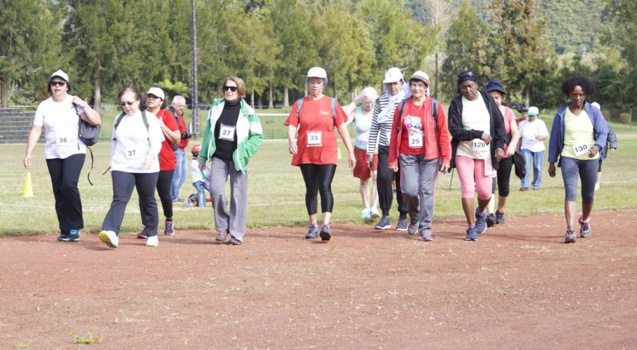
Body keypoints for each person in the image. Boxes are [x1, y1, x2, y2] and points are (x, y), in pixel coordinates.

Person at [23, 70, 101, 242]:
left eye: (60, 83)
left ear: (67, 86)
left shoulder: (73, 103)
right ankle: (65, 229)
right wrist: (29, 152)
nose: (56, 86)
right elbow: (36, 129)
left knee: (68, 185)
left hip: (74, 150)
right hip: (53, 152)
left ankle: (75, 227)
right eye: (53, 83)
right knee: (58, 190)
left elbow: (96, 120)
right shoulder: (44, 106)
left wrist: (83, 104)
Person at [284, 67, 355, 241]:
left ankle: (326, 225)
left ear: (323, 84)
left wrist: (350, 151)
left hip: (327, 151)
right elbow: (292, 125)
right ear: (307, 84)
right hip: (306, 152)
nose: (314, 85)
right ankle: (313, 225)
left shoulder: (331, 103)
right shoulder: (300, 104)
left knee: (325, 185)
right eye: (312, 82)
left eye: (318, 82)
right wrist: (292, 140)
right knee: (311, 188)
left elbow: (342, 128)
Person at [199, 76, 263, 245]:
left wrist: (244, 153)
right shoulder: (216, 107)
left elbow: (257, 136)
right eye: (226, 88)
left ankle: (237, 233)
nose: (228, 91)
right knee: (215, 190)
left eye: (233, 88)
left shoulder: (248, 111)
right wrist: (203, 156)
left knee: (238, 196)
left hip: (237, 160)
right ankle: (222, 226)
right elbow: (208, 133)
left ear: (240, 90)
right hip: (219, 157)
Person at [388, 71, 451, 242]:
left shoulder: (435, 106)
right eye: (414, 85)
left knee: (426, 190)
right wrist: (392, 159)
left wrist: (446, 158)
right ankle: (414, 217)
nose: (416, 88)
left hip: (430, 156)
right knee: (408, 190)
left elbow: (443, 134)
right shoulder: (402, 106)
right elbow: (394, 134)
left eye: (420, 85)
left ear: (426, 88)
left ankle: (425, 227)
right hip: (407, 155)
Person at [99, 86, 165, 248]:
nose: (126, 106)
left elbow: (157, 142)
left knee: (147, 199)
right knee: (119, 198)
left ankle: (152, 233)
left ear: (139, 101)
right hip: (122, 164)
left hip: (145, 166)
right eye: (123, 103)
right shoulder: (119, 119)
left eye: (130, 102)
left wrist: (151, 155)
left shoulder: (149, 118)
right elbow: (115, 143)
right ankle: (111, 232)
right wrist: (113, 163)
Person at [548, 76, 608, 244]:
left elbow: (603, 132)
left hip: (590, 158)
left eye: (581, 94)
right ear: (568, 94)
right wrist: (552, 161)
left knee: (588, 194)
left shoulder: (593, 112)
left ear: (586, 94)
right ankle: (570, 229)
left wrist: (597, 147)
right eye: (574, 94)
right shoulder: (561, 113)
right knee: (571, 192)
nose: (578, 98)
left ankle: (585, 220)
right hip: (569, 157)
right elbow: (554, 139)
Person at [448, 70, 506, 241]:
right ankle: (471, 226)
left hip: (484, 154)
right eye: (463, 87)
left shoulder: (487, 100)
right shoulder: (457, 104)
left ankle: (480, 212)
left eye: (470, 86)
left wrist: (499, 146)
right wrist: (478, 133)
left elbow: (499, 125)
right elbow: (455, 130)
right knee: (467, 189)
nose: (467, 90)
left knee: (485, 193)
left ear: (477, 85)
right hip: (464, 151)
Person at [367, 67, 409, 231]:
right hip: (385, 146)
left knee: (402, 182)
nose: (393, 87)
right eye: (390, 84)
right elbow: (374, 128)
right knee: (384, 177)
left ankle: (403, 216)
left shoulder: (407, 100)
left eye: (396, 83)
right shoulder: (380, 101)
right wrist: (371, 151)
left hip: (403, 147)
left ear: (401, 83)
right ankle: (385, 215)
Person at [141, 87, 181, 237]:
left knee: (164, 194)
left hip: (165, 161)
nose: (151, 98)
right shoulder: (141, 115)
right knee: (145, 195)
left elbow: (177, 138)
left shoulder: (166, 115)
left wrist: (162, 125)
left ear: (161, 101)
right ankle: (147, 226)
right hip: (146, 162)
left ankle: (169, 220)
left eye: (155, 97)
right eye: (149, 95)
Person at [483, 79, 520, 226]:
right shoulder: (483, 113)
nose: (494, 101)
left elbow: (515, 132)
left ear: (502, 98)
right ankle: (490, 213)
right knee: (489, 184)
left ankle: (500, 210)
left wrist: (512, 145)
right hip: (488, 154)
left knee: (503, 186)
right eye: (491, 97)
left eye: (497, 98)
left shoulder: (508, 112)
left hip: (505, 154)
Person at [343, 87, 380, 219]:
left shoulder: (378, 111)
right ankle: (366, 207)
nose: (369, 105)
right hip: (360, 149)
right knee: (364, 179)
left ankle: (375, 207)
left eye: (372, 102)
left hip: (376, 150)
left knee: (376, 177)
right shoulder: (356, 112)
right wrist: (352, 104)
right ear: (362, 101)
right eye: (366, 102)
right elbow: (343, 123)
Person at [519, 106, 549, 191]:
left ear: (537, 115)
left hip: (538, 148)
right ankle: (524, 184)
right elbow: (519, 137)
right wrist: (517, 149)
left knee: (538, 167)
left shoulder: (541, 123)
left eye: (533, 116)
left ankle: (536, 185)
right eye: (530, 115)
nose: (531, 117)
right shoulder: (522, 124)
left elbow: (546, 135)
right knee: (525, 166)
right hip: (526, 147)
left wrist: (541, 137)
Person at [590, 102, 618, 191]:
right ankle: (589, 183)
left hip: (600, 148)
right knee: (588, 166)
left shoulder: (603, 122)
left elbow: (611, 134)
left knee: (597, 166)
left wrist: (613, 146)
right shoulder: (585, 120)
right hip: (588, 147)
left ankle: (597, 184)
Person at [169, 95, 190, 202]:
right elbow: (172, 132)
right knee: (177, 174)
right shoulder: (171, 115)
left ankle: (174, 194)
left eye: (183, 105)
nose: (182, 107)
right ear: (173, 104)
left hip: (182, 148)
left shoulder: (179, 114)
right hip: (176, 148)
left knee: (183, 173)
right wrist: (183, 135)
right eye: (179, 105)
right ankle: (173, 196)